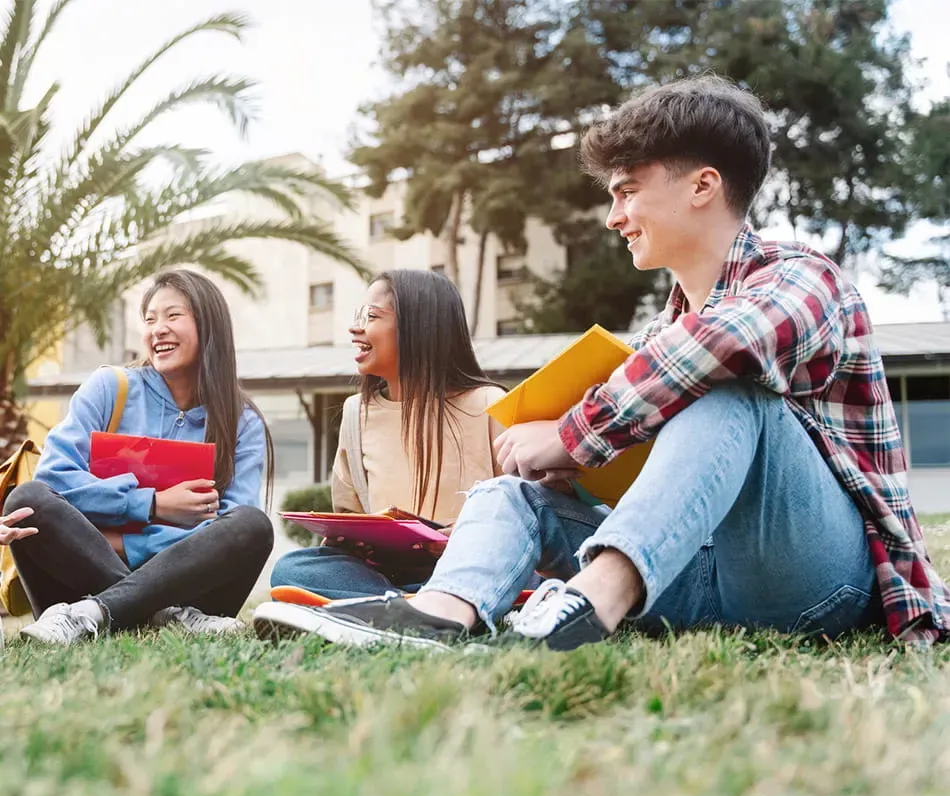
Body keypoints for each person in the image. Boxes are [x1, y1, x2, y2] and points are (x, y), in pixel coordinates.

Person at [262, 74, 950, 651]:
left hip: (816, 577)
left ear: (702, 185)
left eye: (626, 191)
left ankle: (588, 604)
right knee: (509, 494)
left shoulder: (804, 278)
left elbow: (717, 349)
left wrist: (568, 436)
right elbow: (666, 460)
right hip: (691, 571)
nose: (614, 215)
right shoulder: (661, 327)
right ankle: (444, 613)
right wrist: (571, 474)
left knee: (726, 389)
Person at [5, 269, 275, 645]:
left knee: (253, 525)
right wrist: (152, 505)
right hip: (88, 578)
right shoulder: (109, 388)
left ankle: (94, 613)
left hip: (185, 590)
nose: (158, 329)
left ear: (209, 326)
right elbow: (55, 478)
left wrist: (120, 541)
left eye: (173, 316)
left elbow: (232, 533)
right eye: (150, 319)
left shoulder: (242, 423)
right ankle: (160, 617)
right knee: (27, 501)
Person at [253, 269, 505, 636]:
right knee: (294, 569)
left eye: (371, 317)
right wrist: (350, 539)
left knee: (520, 570)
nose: (356, 330)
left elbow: (523, 510)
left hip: (472, 565)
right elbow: (350, 514)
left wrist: (465, 534)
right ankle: (417, 610)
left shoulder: (489, 404)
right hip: (391, 573)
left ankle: (390, 610)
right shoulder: (357, 412)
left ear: (419, 328)